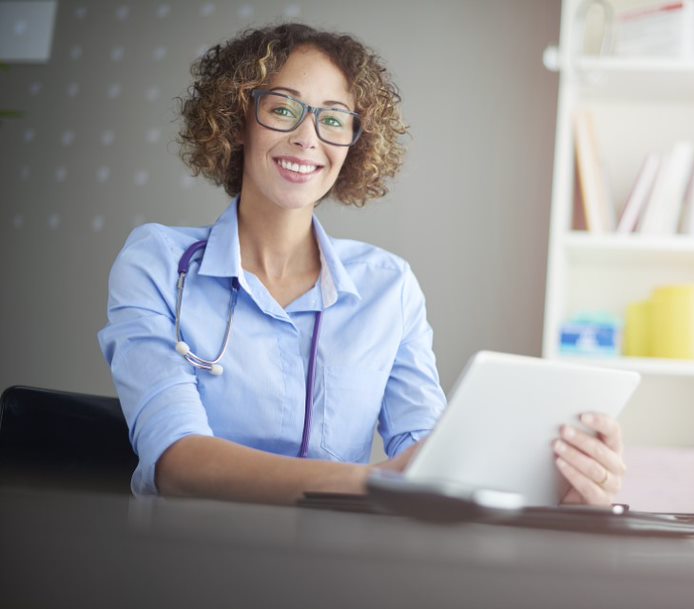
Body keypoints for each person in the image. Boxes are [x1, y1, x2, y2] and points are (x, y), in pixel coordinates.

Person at [98, 23, 625, 506]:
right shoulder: (159, 264)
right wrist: (372, 483)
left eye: (333, 119)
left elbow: (426, 451)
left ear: (355, 143)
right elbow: (176, 462)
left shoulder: (388, 286)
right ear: (238, 122)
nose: (308, 138)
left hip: (339, 564)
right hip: (187, 560)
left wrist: (559, 487)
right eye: (283, 109)